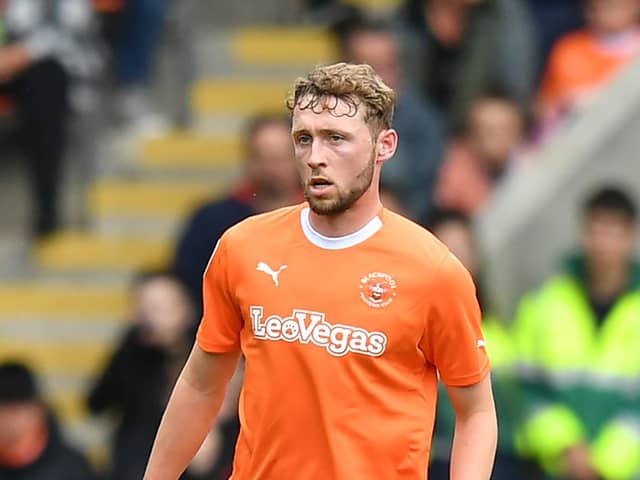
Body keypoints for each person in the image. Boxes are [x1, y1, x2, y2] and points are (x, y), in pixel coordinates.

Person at [144, 62, 497, 479]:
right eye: (304, 139)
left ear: (385, 146)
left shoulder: (434, 271)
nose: (315, 158)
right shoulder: (242, 248)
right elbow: (202, 385)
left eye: (336, 139)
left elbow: (475, 412)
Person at [513, 186, 640, 479]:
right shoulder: (544, 304)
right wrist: (567, 447)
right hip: (555, 469)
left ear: (630, 237)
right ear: (583, 233)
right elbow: (525, 389)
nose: (605, 243)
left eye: (615, 232)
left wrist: (605, 463)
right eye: (597, 229)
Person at [425, 209, 539, 480]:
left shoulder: (501, 337)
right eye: (447, 251)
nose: (458, 263)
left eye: (464, 250)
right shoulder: (416, 341)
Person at [173, 114, 301, 315]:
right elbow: (187, 285)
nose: (271, 169)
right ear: (248, 159)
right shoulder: (212, 219)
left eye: (279, 158)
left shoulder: (322, 219)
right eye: (262, 158)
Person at [0, 0, 100, 237]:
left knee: (44, 87)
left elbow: (71, 33)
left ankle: (47, 213)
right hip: (12, 63)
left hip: (57, 68)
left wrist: (23, 53)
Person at [87, 270, 195, 480]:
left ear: (186, 310)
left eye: (159, 309)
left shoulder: (207, 355)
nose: (150, 319)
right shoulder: (131, 352)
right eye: (144, 309)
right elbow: (95, 403)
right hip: (135, 465)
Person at [336, 16, 444, 220]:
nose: (379, 79)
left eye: (387, 67)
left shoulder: (424, 123)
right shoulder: (314, 118)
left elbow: (426, 195)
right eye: (368, 69)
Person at [401, 0, 537, 132]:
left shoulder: (501, 14)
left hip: (474, 139)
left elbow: (516, 92)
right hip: (414, 139)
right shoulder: (405, 21)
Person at [537, 0, 640, 131]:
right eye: (598, 6)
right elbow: (546, 107)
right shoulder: (568, 49)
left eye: (615, 5)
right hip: (580, 133)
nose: (606, 9)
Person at [434, 88, 527, 215]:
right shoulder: (455, 169)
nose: (493, 140)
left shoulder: (530, 168)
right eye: (485, 130)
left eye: (502, 130)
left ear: (518, 133)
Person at [0, 361, 96, 480]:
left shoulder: (74, 469)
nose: (8, 420)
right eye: (3, 409)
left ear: (39, 410)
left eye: (16, 409)